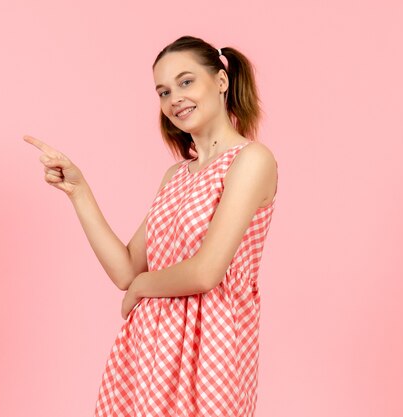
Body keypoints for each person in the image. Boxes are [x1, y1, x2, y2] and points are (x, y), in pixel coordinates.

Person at [24, 35, 278, 417]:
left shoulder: (251, 160)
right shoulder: (176, 175)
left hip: (211, 348)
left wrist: (142, 288)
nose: (174, 97)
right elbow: (127, 269)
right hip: (149, 348)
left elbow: (206, 272)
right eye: (163, 91)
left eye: (186, 81)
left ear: (221, 82)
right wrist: (79, 191)